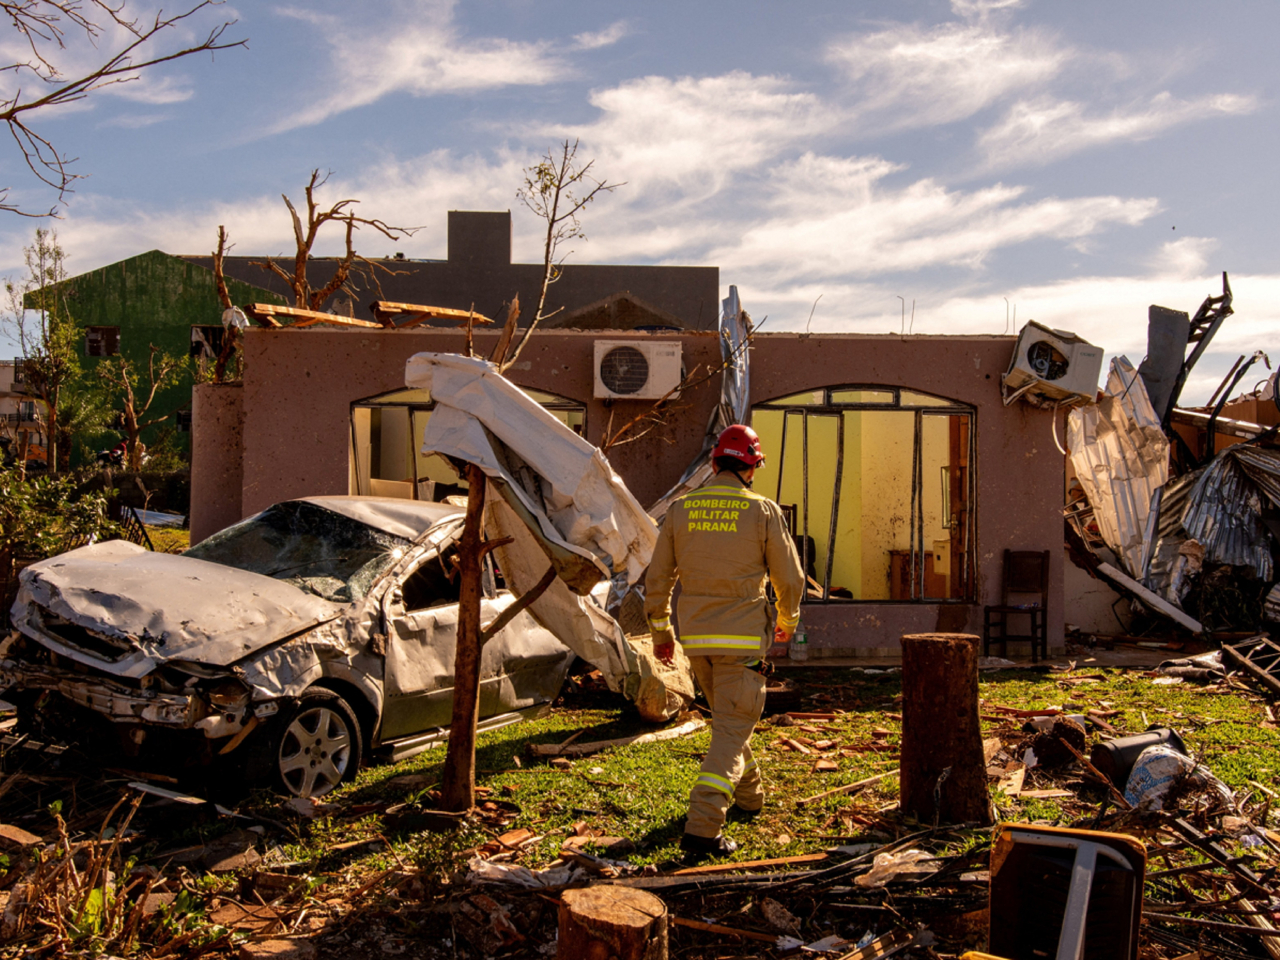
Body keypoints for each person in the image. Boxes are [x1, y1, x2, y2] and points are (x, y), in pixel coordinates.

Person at [644, 424, 805, 859]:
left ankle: (751, 798)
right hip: (742, 640)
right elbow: (788, 579)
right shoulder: (763, 511)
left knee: (730, 725)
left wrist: (661, 632)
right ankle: (703, 827)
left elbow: (657, 580)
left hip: (697, 639)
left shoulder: (680, 510)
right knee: (733, 726)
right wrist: (787, 622)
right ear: (752, 467)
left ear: (714, 462)